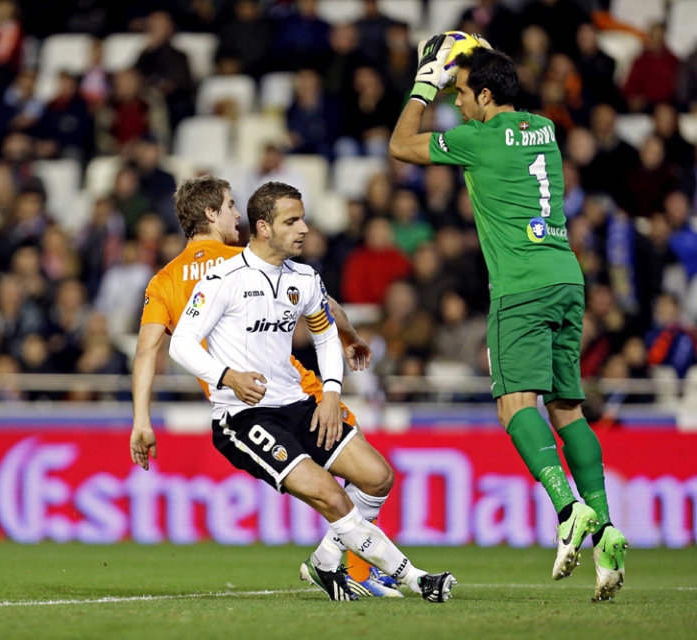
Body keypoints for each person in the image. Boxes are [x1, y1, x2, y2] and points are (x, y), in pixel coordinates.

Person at [136, 179, 455, 602]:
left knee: (376, 477)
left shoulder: (168, 280)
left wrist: (331, 390)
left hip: (302, 398)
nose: (237, 215)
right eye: (231, 206)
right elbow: (183, 345)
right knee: (333, 494)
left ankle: (329, 562)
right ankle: (406, 576)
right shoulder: (229, 267)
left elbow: (146, 352)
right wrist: (349, 335)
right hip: (245, 409)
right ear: (251, 224)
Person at [388, 36, 626, 601]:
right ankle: (606, 526)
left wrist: (426, 82)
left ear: (488, 94)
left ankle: (568, 510)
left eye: (464, 93)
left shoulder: (478, 138)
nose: (458, 103)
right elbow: (495, 106)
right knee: (567, 408)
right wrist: (474, 63)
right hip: (568, 279)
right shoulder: (543, 129)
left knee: (513, 404)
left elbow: (401, 144)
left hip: (520, 287)